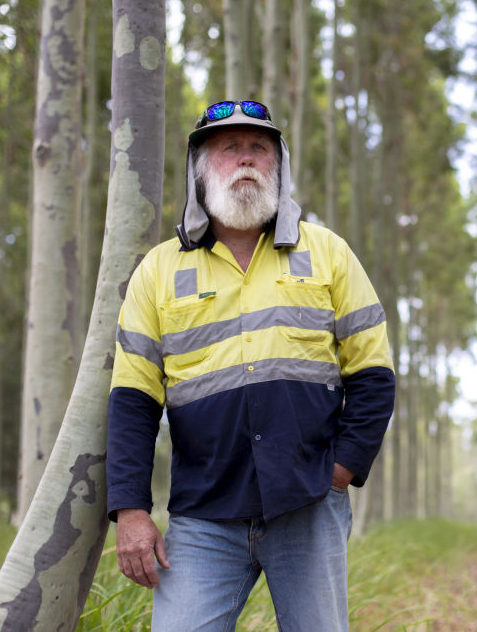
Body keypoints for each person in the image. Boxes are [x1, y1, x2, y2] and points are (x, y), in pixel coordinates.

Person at [106, 100, 395, 631]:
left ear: (278, 165)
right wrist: (131, 509)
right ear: (200, 167)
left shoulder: (328, 252)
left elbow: (373, 375)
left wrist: (340, 471)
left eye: (258, 148)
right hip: (203, 518)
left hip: (309, 504)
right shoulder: (159, 270)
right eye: (228, 148)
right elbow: (133, 401)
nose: (245, 159)